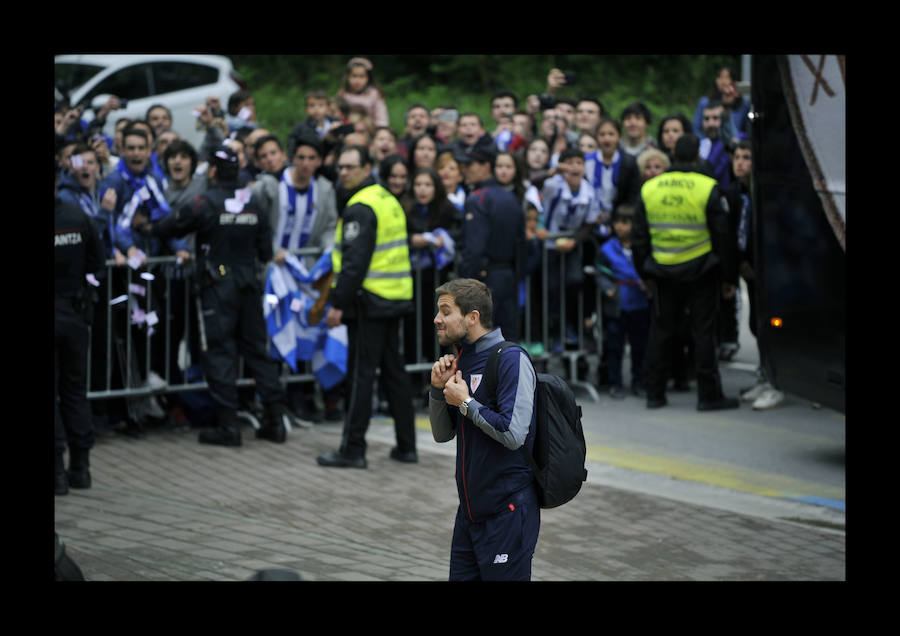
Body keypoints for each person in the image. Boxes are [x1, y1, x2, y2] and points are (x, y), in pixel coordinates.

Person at [131, 144, 296, 446]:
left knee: (220, 354)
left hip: (218, 282)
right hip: (247, 284)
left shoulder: (204, 202)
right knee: (258, 353)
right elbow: (265, 250)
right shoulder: (252, 203)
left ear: (214, 171)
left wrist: (144, 227)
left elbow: (169, 227)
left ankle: (228, 427)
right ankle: (275, 421)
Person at [428, 278, 540, 581]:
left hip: (508, 512)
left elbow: (514, 434)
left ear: (472, 317)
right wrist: (439, 391)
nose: (437, 319)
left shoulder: (511, 359)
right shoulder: (462, 358)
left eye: (445, 311)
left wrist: (465, 402)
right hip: (469, 514)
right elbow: (441, 434)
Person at [316, 145, 417, 468]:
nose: (343, 172)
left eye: (349, 167)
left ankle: (353, 449)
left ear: (366, 168)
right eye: (340, 167)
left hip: (371, 301)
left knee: (362, 375)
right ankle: (407, 446)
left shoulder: (361, 206)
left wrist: (336, 304)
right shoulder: (388, 199)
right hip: (396, 297)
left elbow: (354, 264)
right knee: (394, 373)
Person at [630, 133, 739, 411]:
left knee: (661, 331)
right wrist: (729, 277)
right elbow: (722, 236)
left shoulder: (651, 188)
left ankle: (655, 393)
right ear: (697, 157)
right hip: (702, 269)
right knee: (703, 333)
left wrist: (645, 274)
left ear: (673, 155)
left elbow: (639, 239)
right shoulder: (707, 187)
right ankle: (708, 396)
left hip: (663, 272)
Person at [55, 161, 107, 496]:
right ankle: (81, 468)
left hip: (68, 309)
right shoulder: (78, 215)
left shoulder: (76, 214)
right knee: (74, 391)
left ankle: (58, 474)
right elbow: (97, 264)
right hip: (74, 314)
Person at [725, 141, 785, 410]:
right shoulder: (737, 191)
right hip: (749, 268)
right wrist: (740, 263)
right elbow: (737, 233)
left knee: (772, 326)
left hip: (770, 270)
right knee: (755, 323)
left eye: (746, 157)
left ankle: (778, 383)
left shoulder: (768, 193)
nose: (740, 162)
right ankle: (765, 375)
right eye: (737, 157)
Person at [456, 146, 525, 343]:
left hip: (484, 278)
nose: (465, 170)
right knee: (508, 341)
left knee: (481, 341)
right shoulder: (510, 198)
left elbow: (474, 248)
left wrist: (465, 282)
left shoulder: (479, 199)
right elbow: (522, 245)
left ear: (486, 166)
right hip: (508, 277)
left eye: (470, 165)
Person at [539, 147, 600, 350]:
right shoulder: (553, 185)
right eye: (570, 163)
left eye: (579, 163)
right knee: (552, 288)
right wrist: (554, 171)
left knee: (575, 281)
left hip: (572, 244)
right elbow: (535, 185)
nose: (575, 167)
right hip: (549, 244)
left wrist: (575, 240)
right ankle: (555, 331)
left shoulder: (589, 191)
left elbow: (589, 223)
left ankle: (575, 327)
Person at [404, 167, 459, 371]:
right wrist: (413, 240)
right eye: (418, 184)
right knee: (413, 326)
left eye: (427, 185)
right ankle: (415, 377)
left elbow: (459, 234)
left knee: (438, 325)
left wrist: (443, 239)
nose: (422, 190)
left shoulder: (448, 209)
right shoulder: (406, 209)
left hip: (439, 279)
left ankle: (441, 372)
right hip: (412, 278)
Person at [596, 204, 650, 398]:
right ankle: (615, 383)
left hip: (639, 302)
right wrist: (608, 289)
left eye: (625, 223)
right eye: (617, 222)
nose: (620, 227)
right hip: (617, 303)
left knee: (639, 346)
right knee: (614, 346)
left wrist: (648, 282)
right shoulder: (607, 248)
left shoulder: (643, 246)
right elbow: (600, 273)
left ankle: (639, 382)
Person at [334, 57, 390, 129]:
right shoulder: (343, 93)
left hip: (370, 128)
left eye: (361, 77)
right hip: (348, 127)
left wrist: (382, 127)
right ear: (348, 77)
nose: (357, 81)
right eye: (354, 76)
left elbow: (381, 113)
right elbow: (336, 112)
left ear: (368, 78)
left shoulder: (374, 93)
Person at [698, 102, 731, 188]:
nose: (710, 124)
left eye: (715, 118)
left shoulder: (733, 144)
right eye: (706, 119)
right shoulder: (698, 145)